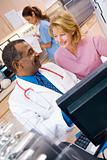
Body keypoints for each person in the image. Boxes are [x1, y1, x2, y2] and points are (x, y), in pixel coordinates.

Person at [2, 39, 78, 139]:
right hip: (73, 134)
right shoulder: (17, 101)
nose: (37, 53)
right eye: (30, 52)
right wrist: (68, 112)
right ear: (17, 65)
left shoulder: (51, 67)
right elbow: (42, 133)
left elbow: (76, 81)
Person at [49, 11, 107, 80]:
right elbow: (71, 81)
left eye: (62, 34)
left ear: (72, 30)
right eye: (55, 36)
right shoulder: (58, 57)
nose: (59, 40)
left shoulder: (94, 41)